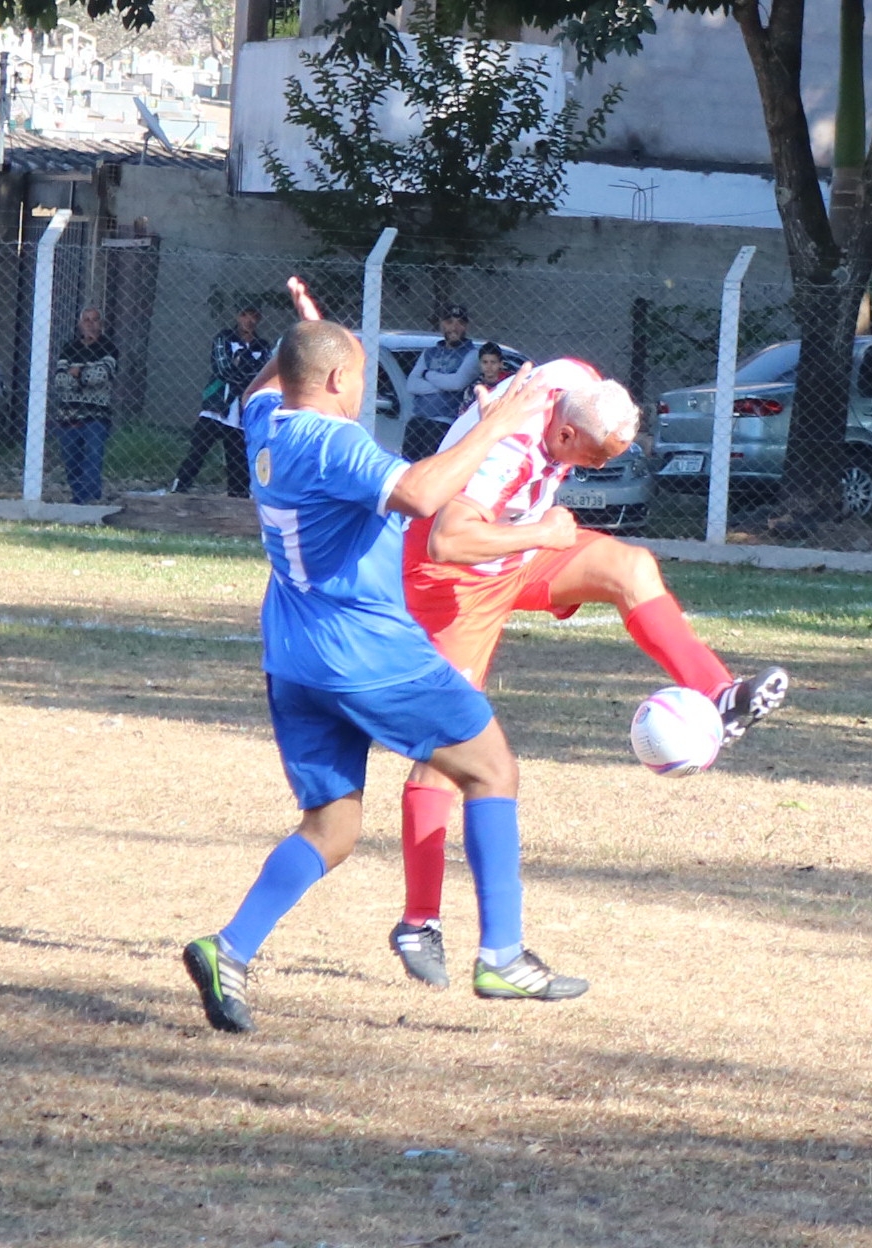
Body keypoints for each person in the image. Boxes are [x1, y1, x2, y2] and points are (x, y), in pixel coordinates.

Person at [182, 289, 586, 1035]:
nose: (363, 389)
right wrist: (497, 422)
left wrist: (304, 331)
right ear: (339, 380)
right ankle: (502, 955)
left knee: (332, 829)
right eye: (361, 374)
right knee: (492, 770)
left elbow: (260, 386)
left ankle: (227, 948)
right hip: (365, 653)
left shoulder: (266, 422)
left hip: (293, 660)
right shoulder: (333, 444)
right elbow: (424, 494)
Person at [388, 358, 789, 988]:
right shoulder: (507, 455)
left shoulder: (577, 385)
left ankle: (719, 693)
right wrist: (542, 532)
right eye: (593, 456)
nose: (594, 468)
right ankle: (419, 921)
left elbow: (574, 384)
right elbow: (447, 540)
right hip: (452, 579)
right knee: (449, 751)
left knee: (630, 567)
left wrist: (537, 531)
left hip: (519, 549)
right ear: (564, 433)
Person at [167, 305, 271, 498]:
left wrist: (240, 365)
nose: (249, 320)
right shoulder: (224, 338)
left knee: (237, 462)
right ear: (237, 316)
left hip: (240, 414)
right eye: (244, 315)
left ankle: (237, 499)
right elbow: (222, 369)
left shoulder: (262, 346)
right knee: (197, 451)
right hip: (216, 407)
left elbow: (263, 375)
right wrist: (248, 371)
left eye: (254, 316)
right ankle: (178, 490)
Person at [52, 308, 119, 504]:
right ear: (80, 324)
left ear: (101, 324)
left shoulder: (109, 348)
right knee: (72, 460)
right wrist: (87, 372)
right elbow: (60, 379)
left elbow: (101, 376)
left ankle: (91, 499)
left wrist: (77, 372)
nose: (90, 324)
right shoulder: (69, 347)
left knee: (93, 457)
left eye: (95, 320)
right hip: (68, 414)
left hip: (96, 415)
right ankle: (78, 498)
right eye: (86, 320)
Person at [402, 303, 478, 462]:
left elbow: (457, 383)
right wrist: (444, 384)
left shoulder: (472, 354)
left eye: (460, 323)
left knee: (430, 469)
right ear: (442, 324)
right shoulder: (429, 353)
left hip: (444, 424)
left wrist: (427, 374)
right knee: (407, 466)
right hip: (418, 420)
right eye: (449, 322)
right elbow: (412, 384)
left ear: (466, 326)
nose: (454, 327)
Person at [460, 341, 511, 412]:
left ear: (501, 364)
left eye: (493, 362)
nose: (489, 366)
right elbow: (464, 412)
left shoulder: (509, 381)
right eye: (485, 362)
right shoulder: (474, 387)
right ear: (480, 364)